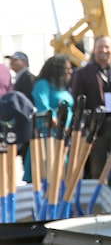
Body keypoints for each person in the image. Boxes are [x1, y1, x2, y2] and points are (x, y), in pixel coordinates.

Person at [71, 35, 111, 214]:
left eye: (107, 47)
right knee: (97, 168)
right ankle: (100, 205)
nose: (104, 51)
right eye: (100, 47)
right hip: (96, 128)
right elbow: (78, 104)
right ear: (95, 49)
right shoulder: (83, 73)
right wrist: (85, 128)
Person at [27, 55, 74, 183]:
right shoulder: (42, 84)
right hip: (50, 134)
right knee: (51, 169)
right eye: (67, 69)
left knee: (64, 171)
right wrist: (56, 123)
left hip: (66, 134)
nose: (70, 72)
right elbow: (42, 106)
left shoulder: (61, 87)